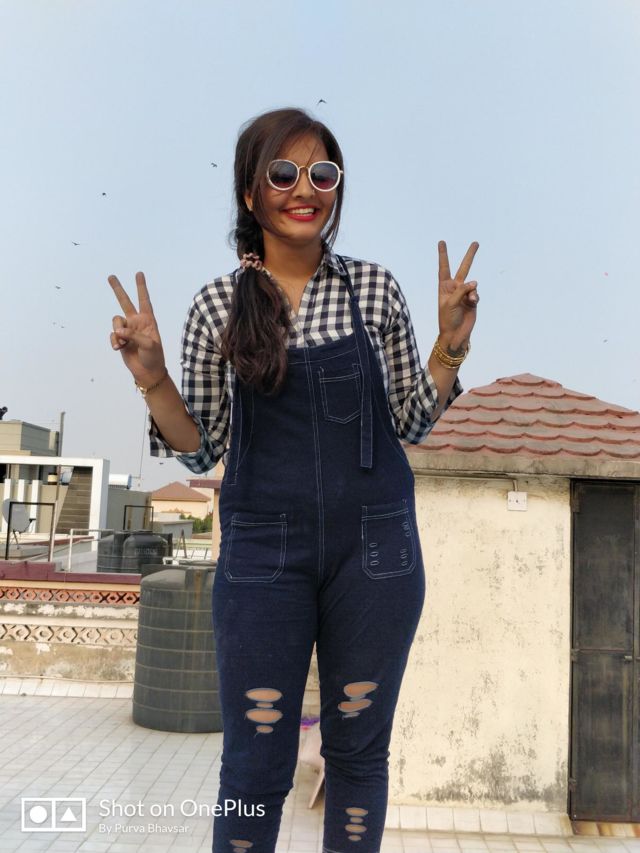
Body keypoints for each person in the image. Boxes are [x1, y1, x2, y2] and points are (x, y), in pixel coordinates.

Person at [108, 107, 479, 853]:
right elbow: (200, 450)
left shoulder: (373, 290)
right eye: (283, 173)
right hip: (261, 556)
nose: (304, 189)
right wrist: (152, 378)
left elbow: (411, 422)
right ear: (251, 193)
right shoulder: (218, 306)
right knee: (253, 765)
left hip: (375, 553)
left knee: (357, 757)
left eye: (322, 174)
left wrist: (449, 347)